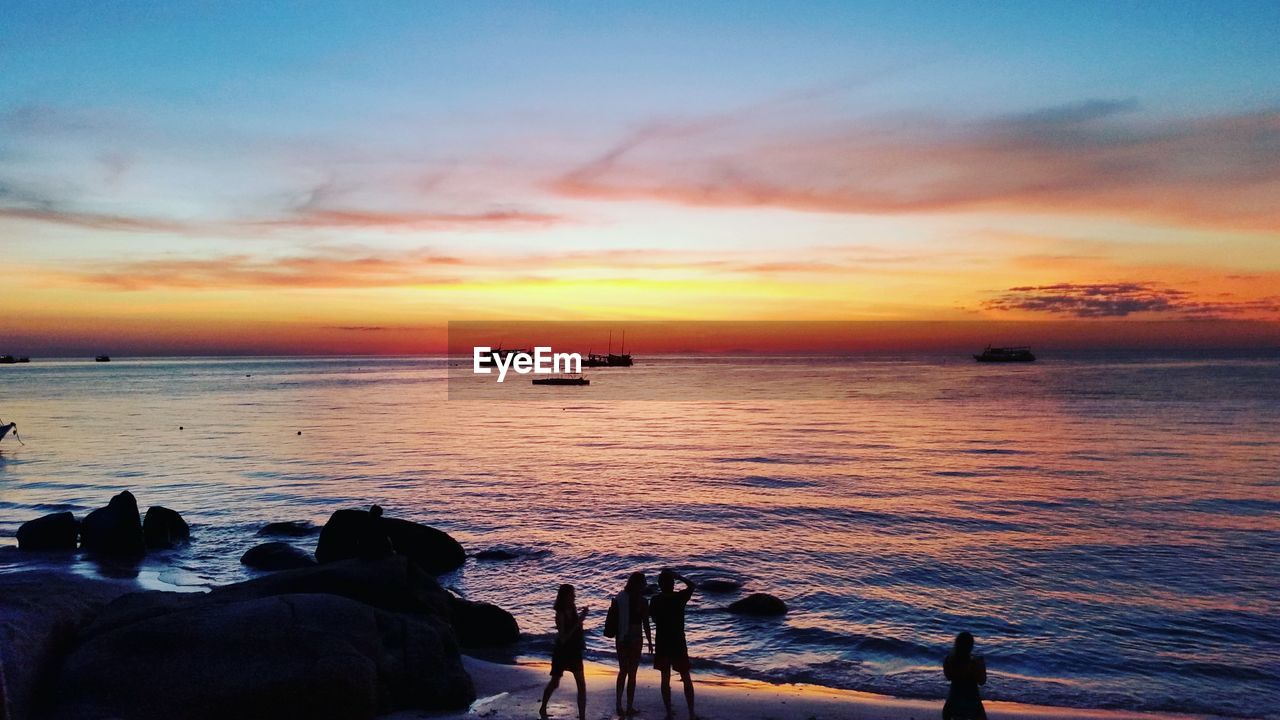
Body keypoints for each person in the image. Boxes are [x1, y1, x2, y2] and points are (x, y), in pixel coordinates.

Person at [650, 569, 696, 719]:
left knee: (665, 678)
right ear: (672, 584)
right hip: (678, 642)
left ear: (660, 585)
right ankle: (691, 713)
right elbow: (692, 586)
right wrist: (679, 576)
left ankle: (669, 713)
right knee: (685, 676)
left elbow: (654, 619)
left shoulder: (655, 600)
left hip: (662, 642)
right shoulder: (679, 598)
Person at [540, 584, 589, 720]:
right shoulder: (560, 613)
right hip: (562, 651)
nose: (574, 596)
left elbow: (578, 629)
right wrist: (579, 620)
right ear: (565, 596)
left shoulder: (572, 609)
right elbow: (563, 638)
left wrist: (582, 640)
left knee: (581, 684)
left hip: (574, 651)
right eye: (571, 594)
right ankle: (543, 707)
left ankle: (582, 716)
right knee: (555, 682)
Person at [613, 571, 652, 716]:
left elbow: (614, 618)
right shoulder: (642, 602)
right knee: (632, 674)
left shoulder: (620, 597)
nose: (645, 585)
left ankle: (618, 704)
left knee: (622, 671)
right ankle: (629, 707)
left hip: (621, 638)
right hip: (635, 639)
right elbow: (646, 624)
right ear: (640, 584)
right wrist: (650, 642)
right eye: (644, 582)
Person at [942, 631, 987, 720]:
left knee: (946, 714)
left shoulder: (949, 660)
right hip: (973, 703)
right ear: (971, 646)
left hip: (954, 702)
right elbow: (982, 681)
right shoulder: (976, 662)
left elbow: (948, 677)